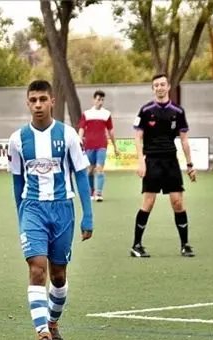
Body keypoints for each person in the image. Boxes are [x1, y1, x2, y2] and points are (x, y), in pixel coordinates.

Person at [8, 80, 93, 340]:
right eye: (33, 100)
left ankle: (53, 323)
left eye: (42, 99)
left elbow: (81, 175)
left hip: (62, 209)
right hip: (32, 208)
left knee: (58, 275)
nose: (38, 105)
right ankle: (43, 333)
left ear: (52, 101)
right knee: (37, 269)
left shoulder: (68, 135)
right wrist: (21, 215)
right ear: (27, 103)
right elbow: (17, 181)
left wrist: (88, 216)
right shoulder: (18, 139)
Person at [130, 73, 196, 258]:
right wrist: (141, 161)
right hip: (152, 161)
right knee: (148, 202)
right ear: (153, 89)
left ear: (168, 87)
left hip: (171, 161)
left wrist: (190, 164)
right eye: (156, 85)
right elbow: (137, 137)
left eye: (162, 84)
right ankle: (136, 245)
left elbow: (184, 140)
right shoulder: (145, 110)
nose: (159, 88)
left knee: (178, 202)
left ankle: (185, 245)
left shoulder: (178, 111)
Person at [78, 90, 119, 202]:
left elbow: (110, 131)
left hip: (102, 145)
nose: (100, 102)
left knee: (99, 168)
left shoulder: (106, 114)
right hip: (89, 145)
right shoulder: (87, 114)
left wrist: (115, 146)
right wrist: (79, 141)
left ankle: (99, 193)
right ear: (94, 100)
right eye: (98, 99)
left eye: (102, 100)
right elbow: (81, 128)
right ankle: (91, 191)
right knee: (90, 170)